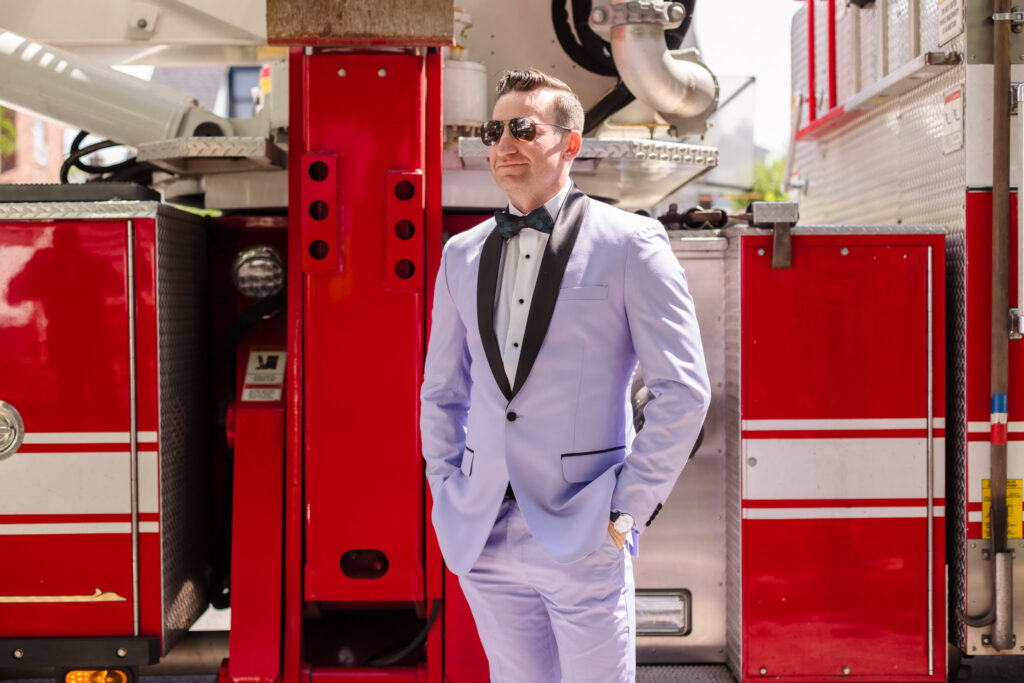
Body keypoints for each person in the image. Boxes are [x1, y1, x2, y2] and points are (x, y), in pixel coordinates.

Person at [420, 68, 710, 683]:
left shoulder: (631, 243)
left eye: (523, 128)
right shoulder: (461, 253)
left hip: (584, 529)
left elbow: (683, 390)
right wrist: (446, 488)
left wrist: (626, 512)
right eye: (492, 130)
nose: (504, 144)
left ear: (570, 143)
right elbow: (442, 391)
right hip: (481, 532)